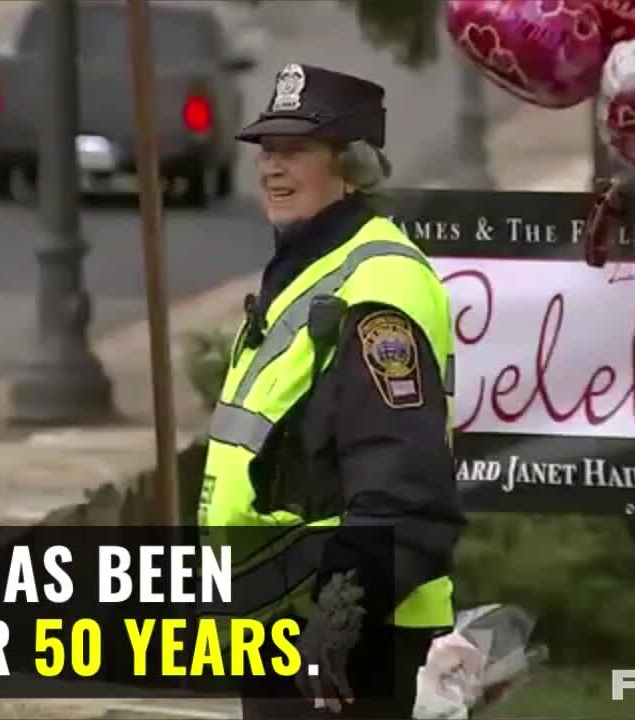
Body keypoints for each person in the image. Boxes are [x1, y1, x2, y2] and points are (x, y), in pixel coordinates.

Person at [198, 64, 465, 718]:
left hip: (347, 639)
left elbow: (403, 483)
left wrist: (342, 612)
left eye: (295, 150)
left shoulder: (379, 285)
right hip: (286, 624)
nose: (272, 167)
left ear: (351, 165)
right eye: (266, 149)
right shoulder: (310, 268)